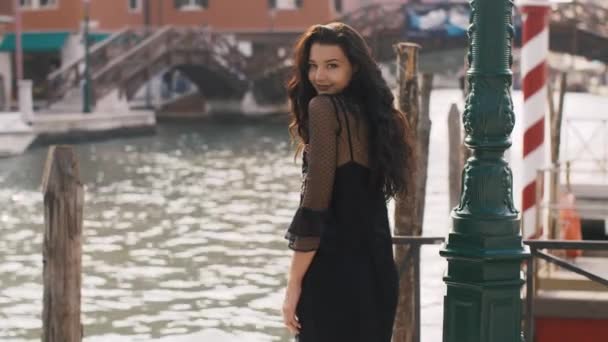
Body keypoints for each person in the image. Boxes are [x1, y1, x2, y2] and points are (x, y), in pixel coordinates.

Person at [282, 22, 416, 342]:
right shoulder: (378, 117)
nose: (319, 77)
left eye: (332, 66)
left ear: (354, 67)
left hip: (334, 274)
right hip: (378, 272)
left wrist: (293, 283)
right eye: (312, 66)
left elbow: (315, 203)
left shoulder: (323, 108)